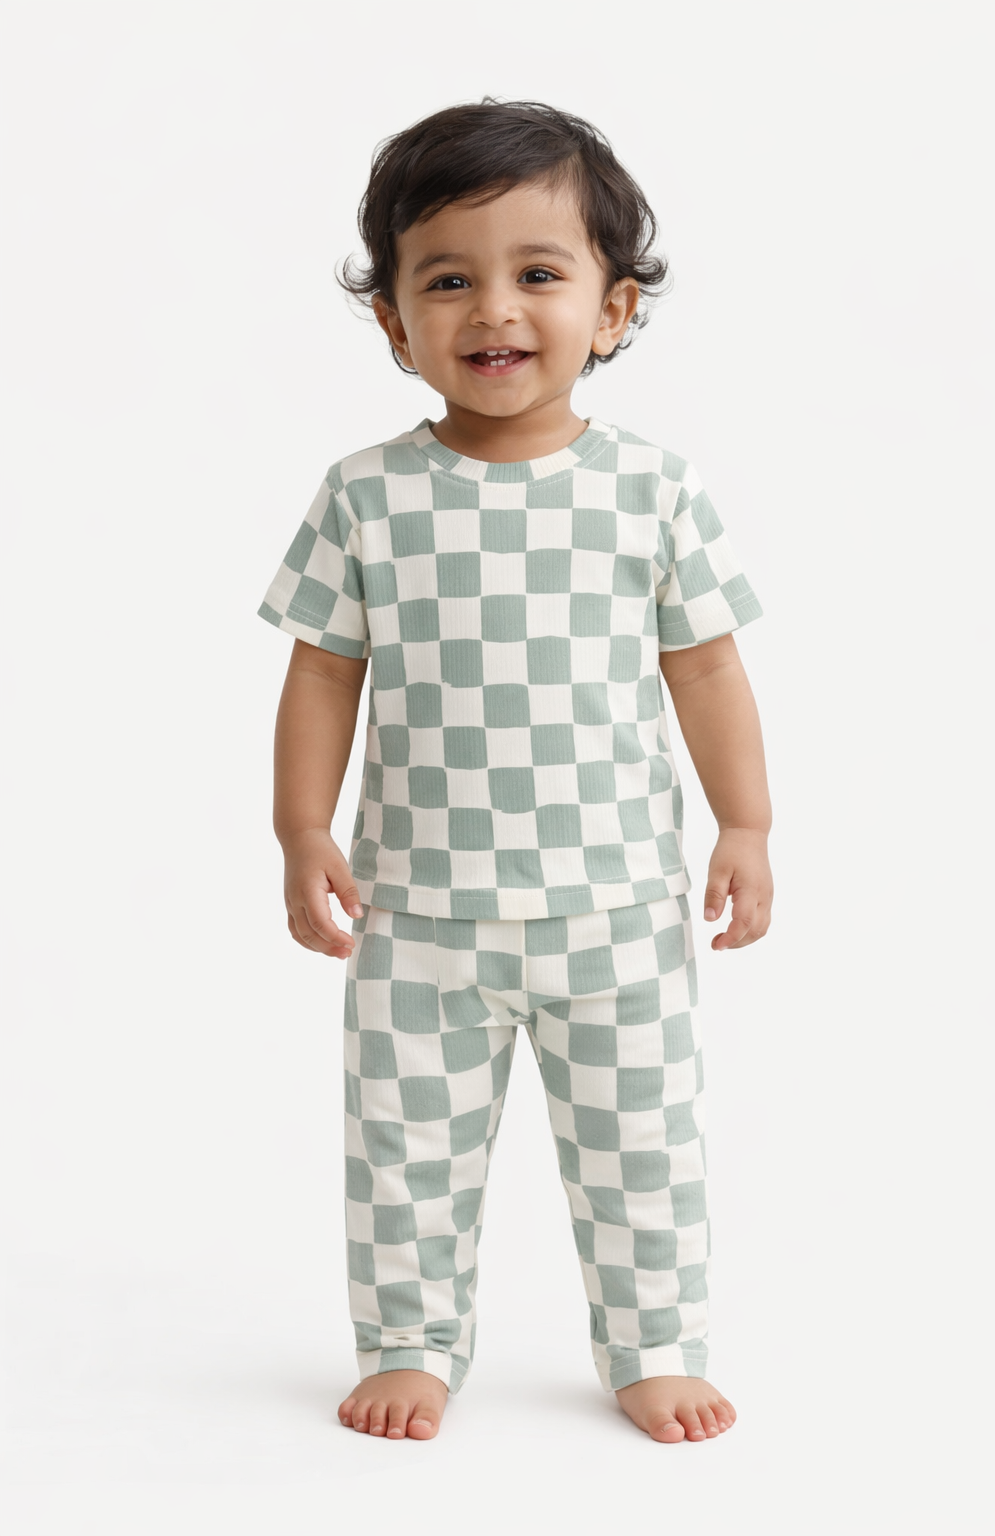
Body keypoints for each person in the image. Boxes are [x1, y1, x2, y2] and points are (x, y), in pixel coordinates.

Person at [259, 100, 773, 1444]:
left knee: (642, 1146)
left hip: (616, 910)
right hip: (417, 915)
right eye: (448, 280)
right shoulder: (366, 495)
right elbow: (324, 673)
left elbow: (706, 671)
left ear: (614, 309)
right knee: (404, 1153)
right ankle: (411, 1340)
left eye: (539, 272)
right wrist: (302, 829)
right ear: (395, 325)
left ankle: (655, 1342)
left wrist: (747, 825)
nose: (495, 308)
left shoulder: (653, 490)